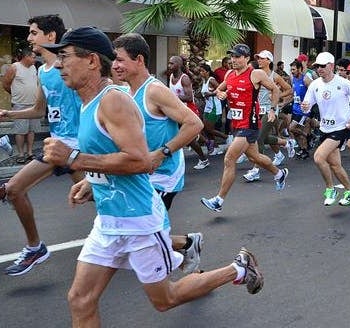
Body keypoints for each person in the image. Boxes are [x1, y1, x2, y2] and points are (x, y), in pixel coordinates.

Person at [41, 27, 263, 326]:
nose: (57, 65)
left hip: (139, 220)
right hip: (108, 221)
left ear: (92, 60)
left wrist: (72, 158)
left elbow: (139, 161)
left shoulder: (114, 100)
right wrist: (90, 181)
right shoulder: (88, 102)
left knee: (165, 299)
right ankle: (190, 245)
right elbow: (111, 155)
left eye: (64, 57)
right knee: (80, 299)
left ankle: (238, 269)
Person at [111, 32, 206, 274]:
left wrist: (162, 153)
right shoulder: (126, 91)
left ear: (139, 60)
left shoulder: (154, 91)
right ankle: (186, 245)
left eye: (120, 60)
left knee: (147, 231)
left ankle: (189, 260)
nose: (115, 65)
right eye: (114, 59)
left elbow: (194, 124)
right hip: (141, 173)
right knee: (137, 228)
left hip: (163, 174)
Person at [0, 15, 85, 276]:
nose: (29, 38)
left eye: (34, 33)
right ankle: (35, 247)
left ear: (51, 37)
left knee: (108, 203)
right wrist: (8, 114)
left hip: (79, 147)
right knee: (13, 189)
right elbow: (39, 110)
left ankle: (169, 241)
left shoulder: (69, 66)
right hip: (56, 146)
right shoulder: (44, 72)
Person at [200, 44, 289, 212]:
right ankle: (279, 174)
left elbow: (276, 89)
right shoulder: (229, 74)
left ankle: (218, 201)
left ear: (246, 58)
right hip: (236, 123)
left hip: (250, 124)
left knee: (229, 159)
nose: (233, 60)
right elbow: (219, 89)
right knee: (255, 157)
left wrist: (271, 109)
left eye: (237, 56)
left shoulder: (256, 74)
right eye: (232, 56)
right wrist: (220, 94)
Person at [301, 52, 350, 206]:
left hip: (341, 128)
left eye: (323, 66)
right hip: (324, 128)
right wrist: (305, 107)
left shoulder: (343, 83)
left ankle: (330, 189)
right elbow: (307, 106)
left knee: (319, 157)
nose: (319, 69)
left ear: (331, 66)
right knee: (335, 165)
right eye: (317, 66)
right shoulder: (315, 85)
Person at [242, 49, 294, 182]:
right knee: (262, 138)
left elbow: (289, 89)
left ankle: (256, 170)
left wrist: (277, 96)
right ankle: (286, 143)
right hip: (256, 111)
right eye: (258, 58)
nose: (259, 60)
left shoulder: (274, 76)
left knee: (258, 137)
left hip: (270, 111)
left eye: (262, 58)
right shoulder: (254, 74)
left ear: (269, 61)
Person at [1, 48, 41, 163]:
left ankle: (30, 153)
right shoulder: (14, 67)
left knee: (32, 130)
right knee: (20, 130)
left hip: (33, 104)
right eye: (33, 57)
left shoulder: (33, 67)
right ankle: (21, 154)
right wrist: (15, 94)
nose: (35, 59)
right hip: (20, 104)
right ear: (26, 56)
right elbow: (6, 84)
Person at [288, 60, 312, 159]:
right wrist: (283, 102)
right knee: (295, 132)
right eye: (291, 69)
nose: (292, 71)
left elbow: (313, 91)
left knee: (291, 128)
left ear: (299, 69)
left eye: (294, 69)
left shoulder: (305, 79)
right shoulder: (292, 78)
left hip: (303, 110)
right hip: (295, 108)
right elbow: (293, 92)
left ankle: (308, 136)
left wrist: (308, 103)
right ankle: (304, 150)